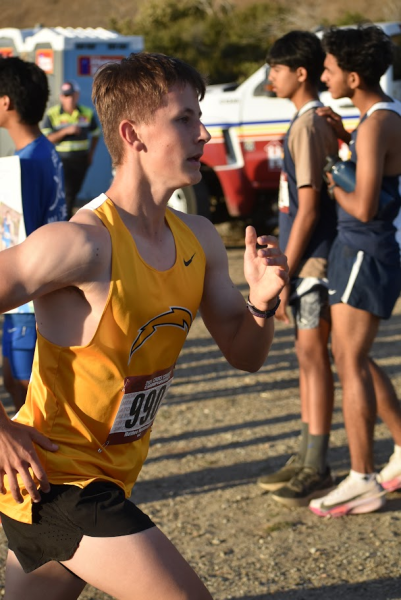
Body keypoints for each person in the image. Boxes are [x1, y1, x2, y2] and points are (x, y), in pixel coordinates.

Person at [0, 52, 288, 599]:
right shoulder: (81, 244)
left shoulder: (199, 238)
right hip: (58, 481)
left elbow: (245, 353)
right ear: (133, 134)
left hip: (109, 476)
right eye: (184, 119)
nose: (203, 132)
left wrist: (263, 303)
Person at [308, 25, 401, 517]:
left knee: (350, 363)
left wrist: (327, 167)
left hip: (364, 249)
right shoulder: (374, 120)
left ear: (354, 74)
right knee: (354, 358)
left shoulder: (377, 123)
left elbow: (364, 205)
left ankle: (362, 477)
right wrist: (345, 136)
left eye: (329, 69)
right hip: (361, 251)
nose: (325, 77)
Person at [257, 31, 338, 507]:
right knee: (307, 360)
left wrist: (284, 271)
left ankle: (318, 464)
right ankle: (308, 454)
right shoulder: (309, 121)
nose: (270, 77)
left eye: (276, 69)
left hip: (314, 262)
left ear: (300, 73)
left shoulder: (308, 125)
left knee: (314, 359)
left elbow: (307, 208)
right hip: (307, 262)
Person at [0, 57, 66, 412]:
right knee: (12, 380)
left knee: (26, 390)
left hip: (27, 294)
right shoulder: (43, 150)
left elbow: (17, 233)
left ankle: (40, 467)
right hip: (28, 293)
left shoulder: (24, 164)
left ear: (6, 103)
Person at [42, 80, 100, 219]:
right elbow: (46, 138)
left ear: (77, 95)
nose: (69, 99)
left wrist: (91, 154)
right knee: (66, 192)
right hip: (62, 160)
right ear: (61, 97)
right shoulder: (52, 114)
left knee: (73, 192)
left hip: (81, 160)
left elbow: (96, 133)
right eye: (66, 95)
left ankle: (65, 218)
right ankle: (65, 220)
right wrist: (66, 131)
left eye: (72, 95)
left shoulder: (87, 113)